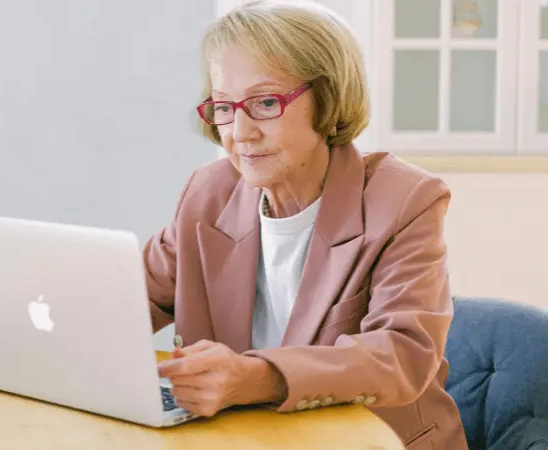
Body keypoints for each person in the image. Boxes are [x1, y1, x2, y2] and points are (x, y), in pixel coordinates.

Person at [146, 1, 467, 449]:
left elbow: (402, 354)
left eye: (265, 102)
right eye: (223, 106)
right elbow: (130, 296)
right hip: (246, 438)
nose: (239, 132)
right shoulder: (208, 192)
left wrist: (257, 377)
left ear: (328, 99)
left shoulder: (404, 200)